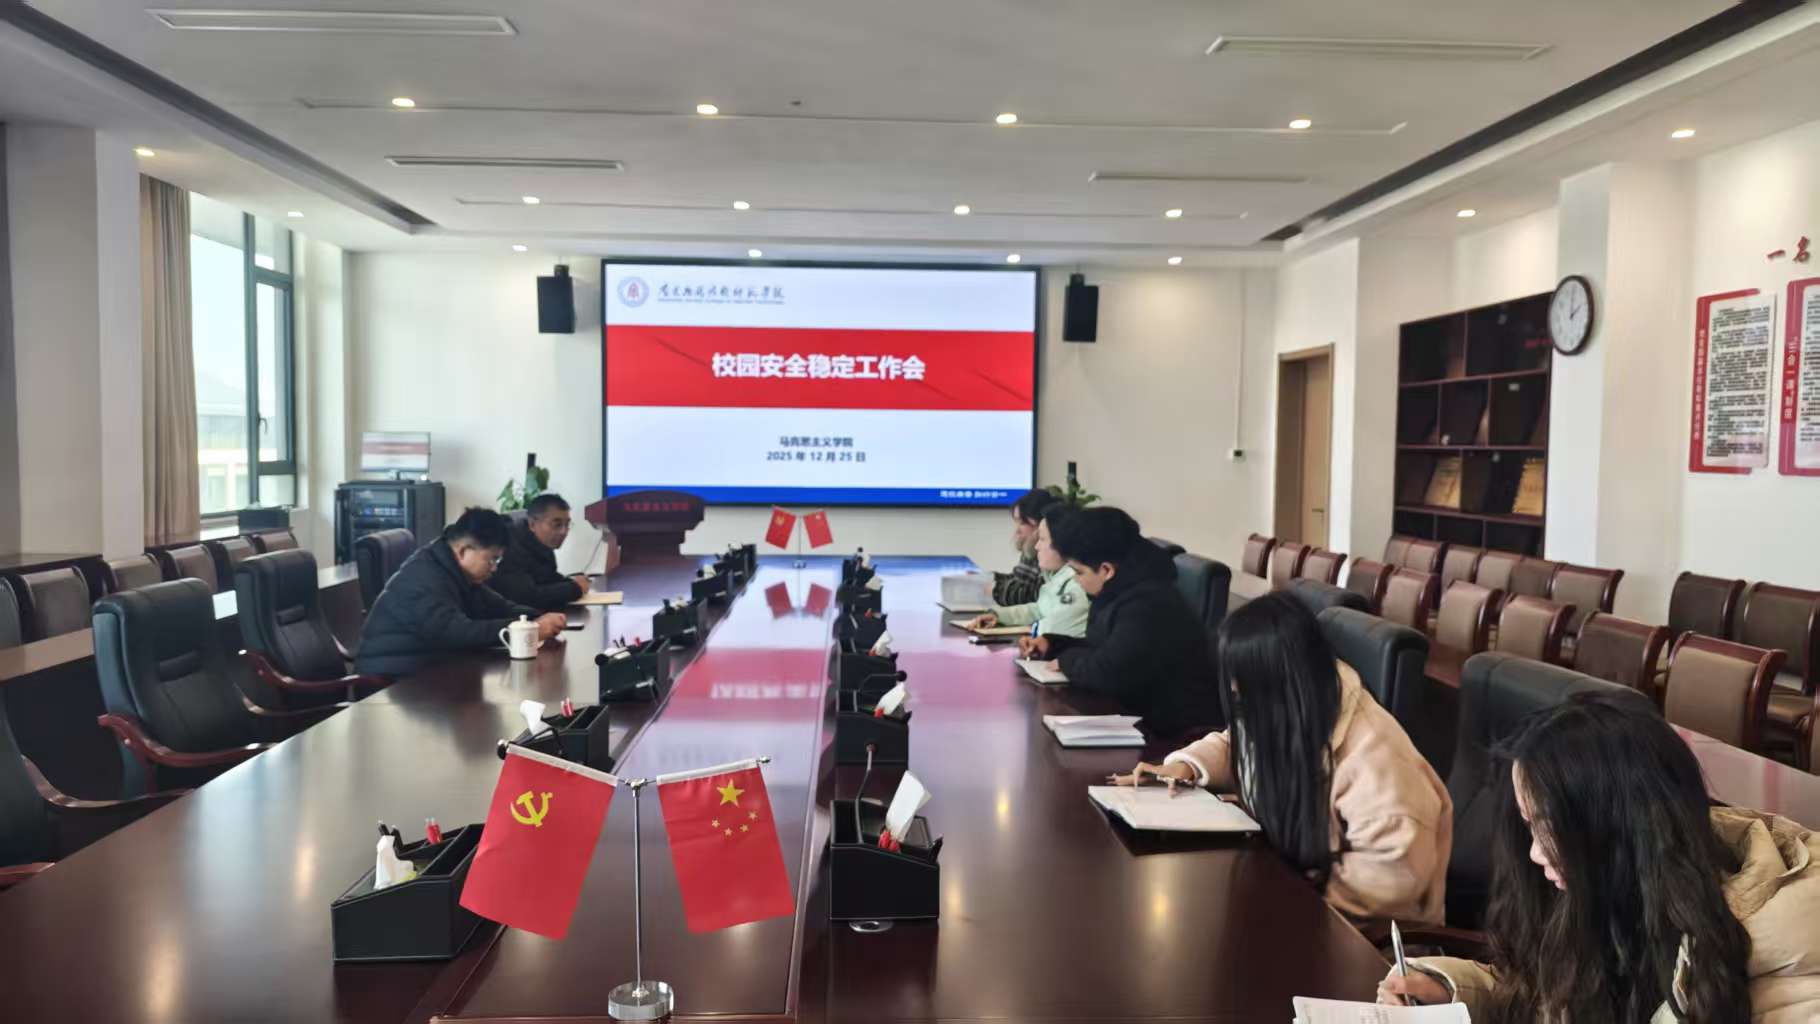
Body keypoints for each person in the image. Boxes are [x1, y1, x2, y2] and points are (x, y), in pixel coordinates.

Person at [1378, 693, 1820, 1021]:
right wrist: (1448, 991)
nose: (1534, 853)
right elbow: (1544, 996)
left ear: (1615, 829)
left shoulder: (1788, 966)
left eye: (1548, 828)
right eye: (1530, 826)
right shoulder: (1620, 888)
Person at [1118, 594, 1451, 924]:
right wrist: (1185, 766)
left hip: (1358, 933)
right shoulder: (1296, 702)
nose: (1234, 689)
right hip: (1287, 891)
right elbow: (1237, 742)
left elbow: (1392, 880)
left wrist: (1280, 890)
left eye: (1240, 679)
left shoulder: (1377, 762)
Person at [1017, 506, 1222, 736]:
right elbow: (1105, 648)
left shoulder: (1148, 604)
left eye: (1079, 572)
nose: (1076, 580)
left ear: (1106, 570)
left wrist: (1065, 662)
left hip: (1169, 735)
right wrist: (1052, 644)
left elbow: (1108, 670)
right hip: (1137, 719)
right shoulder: (1121, 589)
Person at [355, 507, 568, 677]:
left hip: (429, 674)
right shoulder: (424, 578)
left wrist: (538, 617)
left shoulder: (455, 571)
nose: (494, 568)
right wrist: (530, 629)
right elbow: (459, 633)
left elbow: (500, 607)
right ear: (464, 551)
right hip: (390, 683)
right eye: (492, 559)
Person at [966, 505, 1089, 639]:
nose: (1037, 546)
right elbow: (1038, 610)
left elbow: (1054, 629)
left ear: (1063, 544)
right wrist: (998, 616)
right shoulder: (1055, 577)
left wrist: (1033, 627)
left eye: (1042, 539)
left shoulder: (1078, 584)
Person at [492, 493, 594, 611]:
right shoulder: (510, 546)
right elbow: (526, 597)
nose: (564, 531)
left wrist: (573, 583)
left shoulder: (541, 544)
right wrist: (574, 589)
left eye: (567, 525)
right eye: (557, 525)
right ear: (532, 524)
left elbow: (548, 578)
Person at [992, 489, 1058, 607]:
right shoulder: (1030, 548)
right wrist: (990, 578)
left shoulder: (1051, 553)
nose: (1017, 530)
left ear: (1041, 523)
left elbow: (1036, 595)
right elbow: (1018, 579)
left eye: (1022, 523)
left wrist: (994, 590)